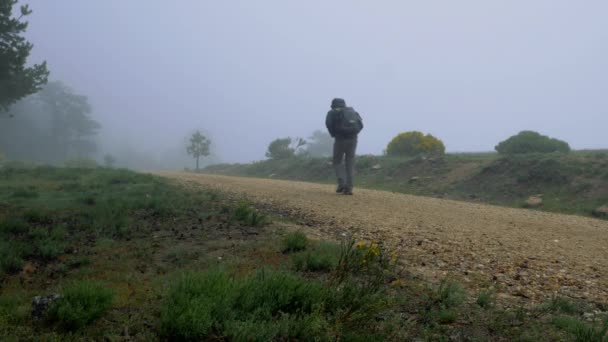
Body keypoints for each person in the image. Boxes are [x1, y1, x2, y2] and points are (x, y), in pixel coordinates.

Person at [325, 98, 363, 195]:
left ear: (333, 105)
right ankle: (349, 188)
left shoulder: (332, 113)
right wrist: (353, 133)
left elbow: (328, 124)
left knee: (337, 161)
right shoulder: (352, 111)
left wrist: (334, 134)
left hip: (340, 140)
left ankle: (342, 183)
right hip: (353, 140)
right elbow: (361, 125)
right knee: (350, 162)